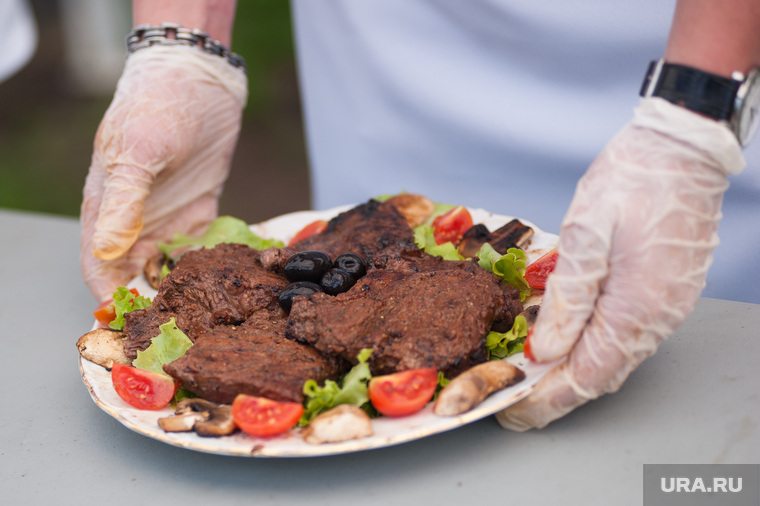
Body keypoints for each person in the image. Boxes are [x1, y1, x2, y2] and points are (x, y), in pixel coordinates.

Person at [80, 0, 760, 431]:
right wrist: (182, 47)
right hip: (390, 49)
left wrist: (693, 122)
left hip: (698, 50)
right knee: (365, 234)